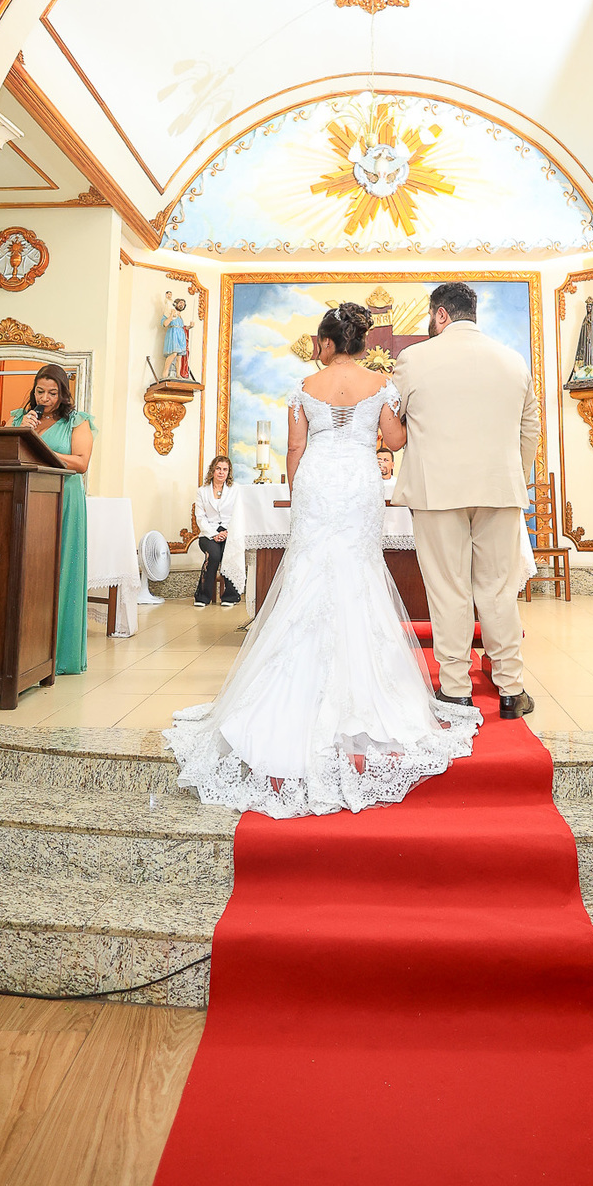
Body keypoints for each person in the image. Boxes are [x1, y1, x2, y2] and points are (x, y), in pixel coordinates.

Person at [165, 303, 479, 816]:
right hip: (358, 480)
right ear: (361, 342)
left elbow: (295, 448)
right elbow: (395, 440)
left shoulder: (304, 386)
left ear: (329, 343)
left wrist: (301, 491)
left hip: (316, 481)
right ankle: (367, 691)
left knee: (308, 570)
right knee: (360, 569)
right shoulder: (380, 384)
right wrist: (393, 416)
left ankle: (289, 688)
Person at [393, 282, 540, 719]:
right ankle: (510, 688)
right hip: (499, 489)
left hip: (437, 491)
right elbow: (529, 430)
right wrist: (512, 478)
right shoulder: (513, 361)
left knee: (448, 590)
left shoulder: (413, 359)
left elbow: (394, 422)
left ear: (441, 314)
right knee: (498, 590)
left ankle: (456, 689)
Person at [11, 365, 94, 675]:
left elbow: (81, 463)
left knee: (61, 567)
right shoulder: (20, 419)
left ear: (63, 394)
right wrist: (21, 433)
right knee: (27, 570)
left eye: (52, 393)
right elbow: (4, 451)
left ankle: (59, 653)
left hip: (64, 498)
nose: (45, 398)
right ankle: (25, 653)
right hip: (27, 497)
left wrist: (39, 446)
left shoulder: (77, 421)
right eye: (40, 391)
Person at [195, 454, 241, 609]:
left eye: (225, 469)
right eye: (218, 469)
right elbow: (200, 518)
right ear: (212, 471)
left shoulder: (235, 489)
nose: (221, 472)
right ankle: (203, 596)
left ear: (229, 472)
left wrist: (228, 532)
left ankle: (231, 596)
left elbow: (238, 514)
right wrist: (214, 534)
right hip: (208, 533)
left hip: (230, 531)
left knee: (229, 553)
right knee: (214, 555)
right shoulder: (202, 491)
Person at [162, 293, 192, 380]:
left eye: (183, 304)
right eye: (180, 303)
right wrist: (171, 315)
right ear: (176, 303)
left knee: (180, 355)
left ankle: (178, 375)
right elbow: (165, 324)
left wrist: (189, 327)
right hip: (173, 334)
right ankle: (165, 374)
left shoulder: (180, 316)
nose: (182, 305)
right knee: (173, 354)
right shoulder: (169, 312)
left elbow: (182, 327)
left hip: (180, 336)